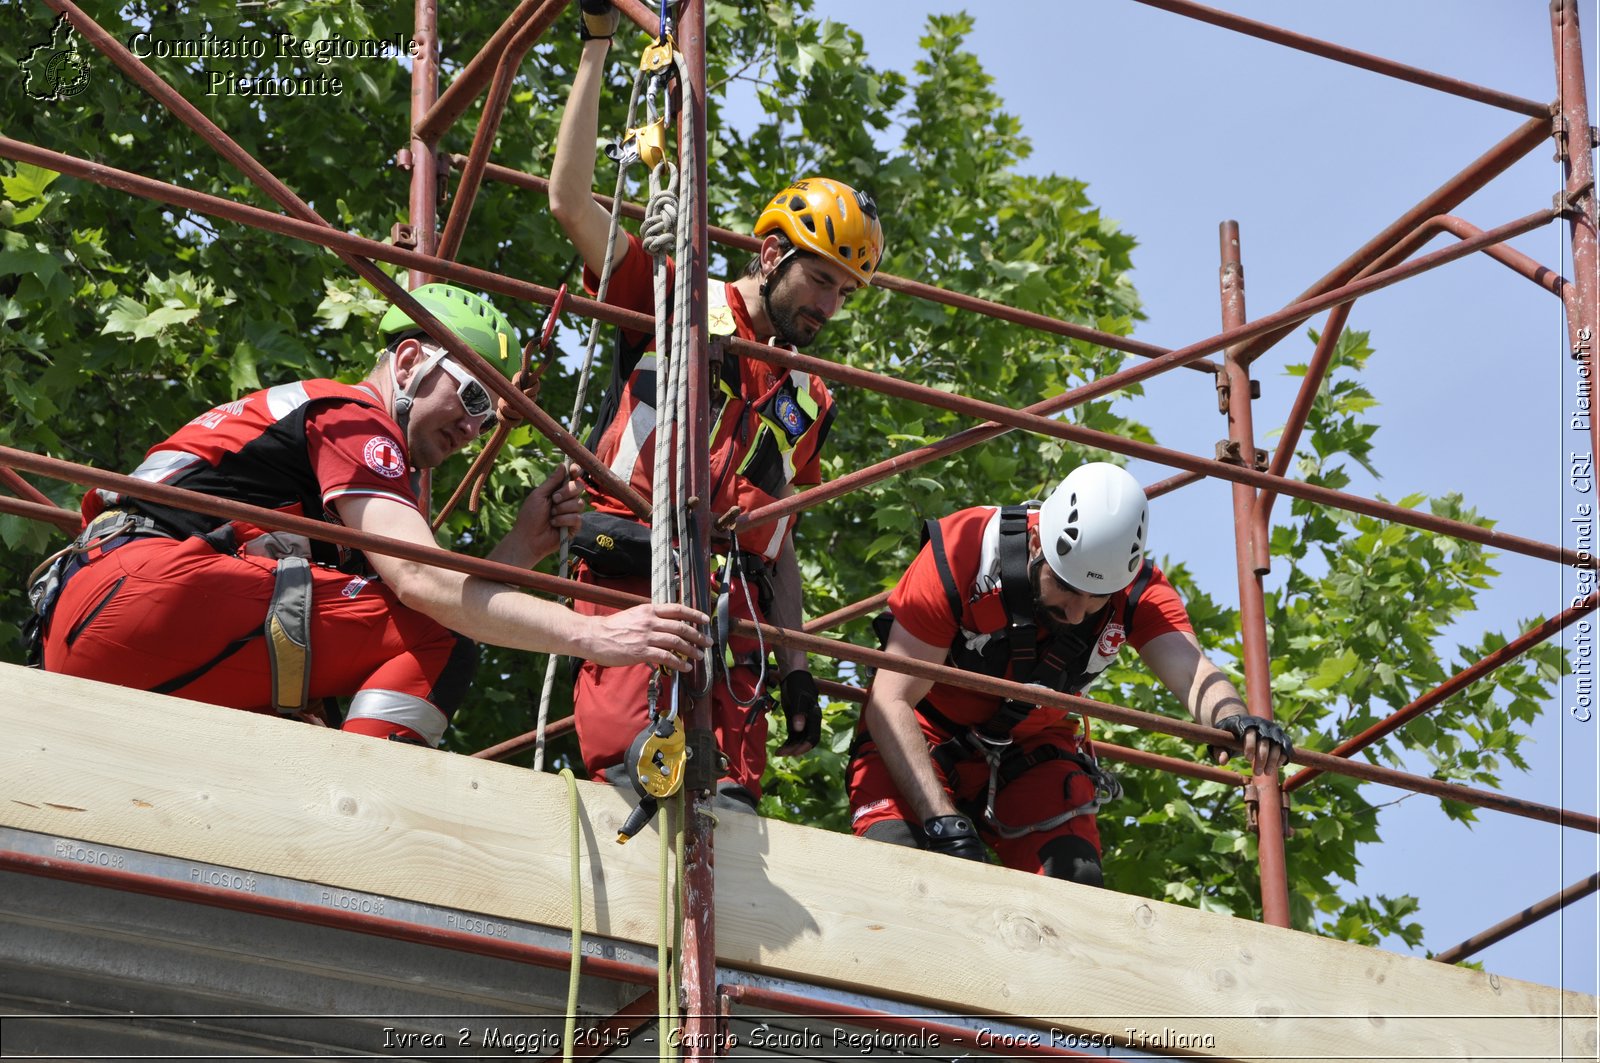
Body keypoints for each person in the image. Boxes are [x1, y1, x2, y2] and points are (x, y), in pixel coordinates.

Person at [28, 282, 708, 747]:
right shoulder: (355, 418)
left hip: (101, 625)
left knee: (369, 655)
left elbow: (396, 607)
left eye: (487, 414)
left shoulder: (337, 454)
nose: (474, 427)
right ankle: (364, 801)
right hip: (141, 593)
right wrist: (601, 636)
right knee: (435, 634)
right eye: (472, 395)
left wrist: (519, 551)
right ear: (409, 361)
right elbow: (427, 596)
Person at [549, 0, 885, 807]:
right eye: (821, 280)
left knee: (730, 809)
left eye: (847, 292)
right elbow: (569, 199)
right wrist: (596, 44)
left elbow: (781, 538)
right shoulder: (674, 295)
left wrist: (800, 670)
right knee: (639, 773)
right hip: (635, 575)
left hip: (730, 618)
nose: (830, 307)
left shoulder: (809, 395)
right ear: (771, 254)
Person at [846, 462, 1293, 884]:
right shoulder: (967, 551)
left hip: (1031, 749)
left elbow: (1192, 671)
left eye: (1096, 597)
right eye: (1065, 586)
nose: (1077, 613)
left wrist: (1232, 716)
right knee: (898, 864)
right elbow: (892, 698)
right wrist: (941, 820)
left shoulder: (1139, 591)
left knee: (1073, 882)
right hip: (920, 732)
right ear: (1038, 544)